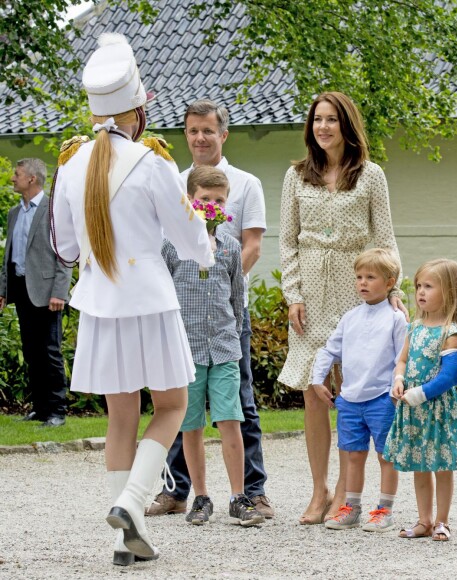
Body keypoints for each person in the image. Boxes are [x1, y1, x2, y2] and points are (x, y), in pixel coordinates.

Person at [50, 33, 214, 566]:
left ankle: (126, 539)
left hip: (99, 304)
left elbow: (66, 248)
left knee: (119, 418)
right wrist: (208, 242)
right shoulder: (152, 163)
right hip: (150, 301)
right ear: (139, 110)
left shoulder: (71, 164)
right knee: (172, 406)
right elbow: (191, 242)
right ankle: (132, 501)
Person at [279, 91, 405, 524]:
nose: (324, 127)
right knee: (314, 394)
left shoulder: (371, 176)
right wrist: (292, 294)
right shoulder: (296, 175)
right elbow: (287, 241)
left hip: (359, 288)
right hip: (310, 291)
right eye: (317, 120)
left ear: (347, 126)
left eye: (332, 120)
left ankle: (350, 496)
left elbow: (385, 238)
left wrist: (391, 287)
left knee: (359, 389)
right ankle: (320, 490)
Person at [147, 99, 273, 518]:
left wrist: (218, 277)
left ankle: (250, 491)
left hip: (225, 321)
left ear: (223, 134)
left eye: (207, 130)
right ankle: (183, 491)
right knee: (184, 416)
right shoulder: (174, 184)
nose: (200, 137)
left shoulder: (245, 183)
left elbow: (251, 244)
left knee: (240, 410)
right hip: (185, 326)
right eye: (192, 130)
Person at [162, 166, 265, 526]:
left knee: (230, 421)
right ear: (189, 201)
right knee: (191, 426)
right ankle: (201, 496)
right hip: (186, 352)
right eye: (204, 199)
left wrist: (234, 337)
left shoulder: (231, 248)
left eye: (218, 200)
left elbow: (237, 299)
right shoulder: (171, 247)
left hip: (223, 350)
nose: (211, 205)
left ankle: (240, 496)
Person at [309, 248, 406, 532]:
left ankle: (384, 510)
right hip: (350, 400)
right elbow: (329, 350)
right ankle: (351, 508)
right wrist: (317, 379)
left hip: (382, 399)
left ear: (389, 282)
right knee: (353, 455)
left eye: (371, 277)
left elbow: (402, 356)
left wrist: (395, 389)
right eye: (359, 277)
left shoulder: (396, 319)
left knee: (386, 456)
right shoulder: (350, 317)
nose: (362, 282)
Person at [384, 258, 457, 542]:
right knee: (419, 465)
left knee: (441, 466)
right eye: (419, 285)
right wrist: (398, 380)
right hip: (413, 408)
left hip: (436, 408)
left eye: (429, 286)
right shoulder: (415, 327)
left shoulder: (450, 332)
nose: (420, 292)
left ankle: (442, 521)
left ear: (449, 292)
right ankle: (424, 520)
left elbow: (452, 374)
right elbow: (402, 360)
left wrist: (420, 393)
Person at [0, 158, 72, 427]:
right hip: (21, 289)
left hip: (47, 292)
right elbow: (10, 256)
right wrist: (3, 289)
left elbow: (65, 255)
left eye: (16, 174)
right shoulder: (14, 213)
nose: (12, 178)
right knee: (32, 352)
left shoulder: (54, 210)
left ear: (32, 179)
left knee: (50, 352)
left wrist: (59, 292)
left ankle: (57, 412)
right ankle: (40, 409)